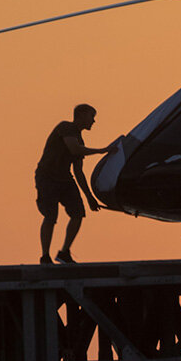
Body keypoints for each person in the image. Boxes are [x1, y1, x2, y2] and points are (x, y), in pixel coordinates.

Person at [35, 104, 115, 264]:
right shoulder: (66, 127)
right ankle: (45, 256)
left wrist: (89, 197)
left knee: (78, 214)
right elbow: (75, 149)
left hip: (65, 179)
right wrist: (101, 150)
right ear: (81, 116)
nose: (93, 121)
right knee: (50, 216)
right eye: (91, 117)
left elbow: (78, 171)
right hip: (47, 178)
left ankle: (64, 253)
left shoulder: (79, 139)